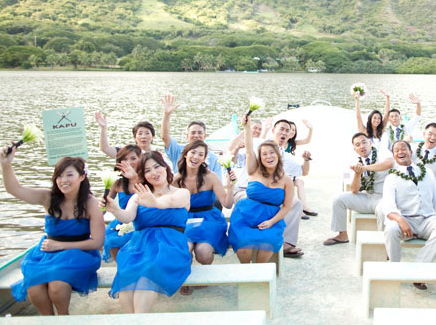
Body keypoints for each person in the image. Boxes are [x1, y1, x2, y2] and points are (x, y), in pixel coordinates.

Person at [0, 151, 103, 315]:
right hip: (48, 253)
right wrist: (6, 164)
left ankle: (63, 318)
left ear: (82, 177)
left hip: (79, 253)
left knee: (57, 286)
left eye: (70, 175)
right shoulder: (47, 197)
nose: (64, 181)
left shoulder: (90, 203)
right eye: (59, 176)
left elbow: (97, 242)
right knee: (34, 287)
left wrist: (60, 245)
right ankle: (48, 321)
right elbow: (15, 189)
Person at [104, 151, 191, 313]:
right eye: (147, 170)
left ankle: (138, 320)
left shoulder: (181, 193)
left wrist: (155, 202)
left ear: (165, 167)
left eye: (157, 167)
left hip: (170, 245)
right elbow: (127, 217)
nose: (154, 173)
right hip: (140, 246)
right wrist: (114, 208)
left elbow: (170, 202)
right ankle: (136, 321)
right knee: (127, 281)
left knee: (148, 271)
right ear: (143, 175)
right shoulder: (137, 197)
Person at [232, 118, 310, 258]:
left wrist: (306, 160)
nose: (268, 156)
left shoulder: (284, 165)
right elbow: (248, 151)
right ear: (273, 130)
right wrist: (247, 127)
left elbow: (302, 172)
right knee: (244, 250)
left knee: (295, 204)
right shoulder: (256, 151)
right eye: (282, 129)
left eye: (288, 130)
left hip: (269, 205)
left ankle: (287, 243)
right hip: (247, 195)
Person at [382, 140, 436, 290]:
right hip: (406, 221)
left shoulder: (427, 172)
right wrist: (400, 219)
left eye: (403, 148)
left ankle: (419, 268)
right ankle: (394, 268)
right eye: (396, 150)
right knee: (391, 229)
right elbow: (388, 207)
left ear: (411, 152)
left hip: (427, 219)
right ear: (393, 156)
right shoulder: (391, 178)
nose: (400, 152)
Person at [173, 140, 234, 295]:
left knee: (203, 251)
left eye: (201, 154)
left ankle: (206, 274)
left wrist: (230, 185)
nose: (196, 157)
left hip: (209, 219)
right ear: (186, 154)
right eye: (193, 152)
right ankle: (185, 277)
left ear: (204, 159)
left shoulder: (210, 177)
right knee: (185, 249)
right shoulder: (176, 179)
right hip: (184, 220)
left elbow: (227, 204)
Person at [323, 132, 393, 246]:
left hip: (383, 197)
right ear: (355, 149)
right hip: (367, 197)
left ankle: (385, 244)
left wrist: (365, 167)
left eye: (364, 142)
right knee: (338, 199)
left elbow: (389, 163)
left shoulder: (382, 152)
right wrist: (358, 173)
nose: (362, 146)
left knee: (382, 211)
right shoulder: (354, 161)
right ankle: (342, 235)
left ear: (370, 143)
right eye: (358, 144)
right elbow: (355, 190)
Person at [160, 94, 223, 177]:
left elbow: (218, 182)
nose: (196, 136)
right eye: (193, 133)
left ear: (205, 136)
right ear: (187, 136)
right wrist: (166, 115)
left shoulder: (213, 158)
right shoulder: (178, 150)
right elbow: (165, 137)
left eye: (200, 133)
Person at [102, 145, 141, 263]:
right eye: (124, 160)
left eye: (133, 158)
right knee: (111, 241)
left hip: (143, 220)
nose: (129, 163)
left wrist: (135, 178)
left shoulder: (147, 178)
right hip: (122, 220)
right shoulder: (116, 182)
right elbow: (104, 205)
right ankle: (122, 268)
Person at [285, 120, 317, 217]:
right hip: (281, 176)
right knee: (291, 182)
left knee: (300, 182)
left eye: (294, 130)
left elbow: (307, 140)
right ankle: (297, 209)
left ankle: (304, 207)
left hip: (288, 174)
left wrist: (310, 129)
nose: (292, 131)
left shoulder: (291, 143)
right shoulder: (277, 143)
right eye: (290, 129)